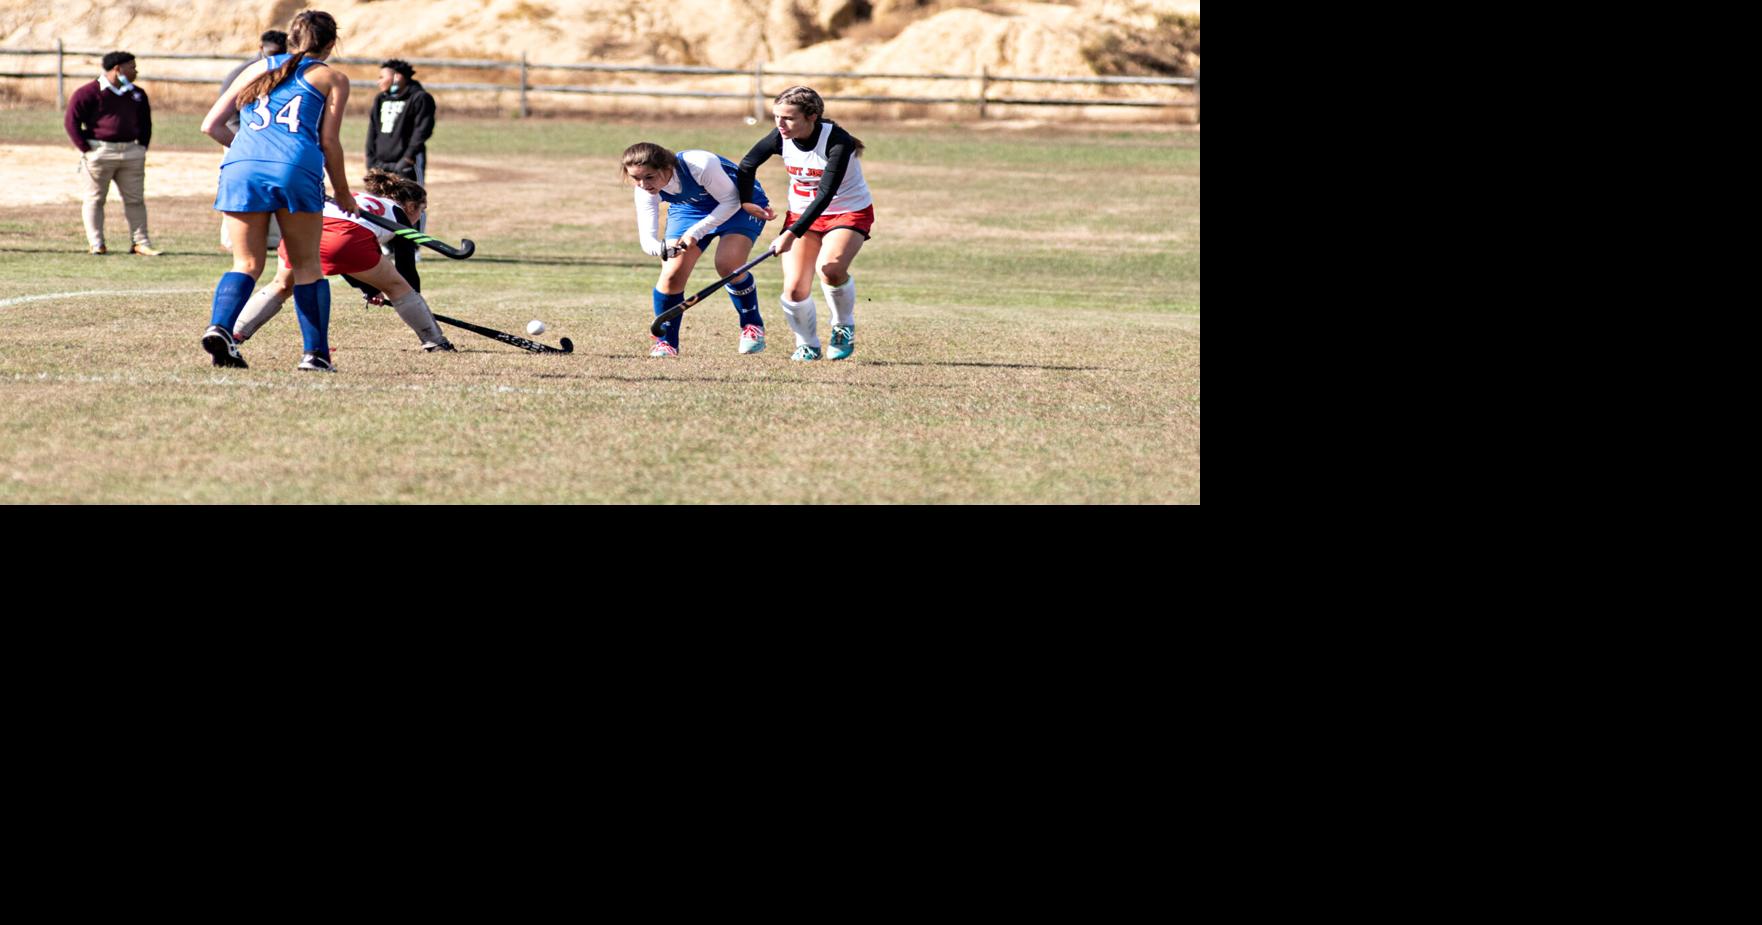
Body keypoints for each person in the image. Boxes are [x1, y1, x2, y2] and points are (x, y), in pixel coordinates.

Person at [198, 9, 356, 372]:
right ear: (331, 44)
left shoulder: (258, 67)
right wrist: (344, 193)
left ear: (292, 39)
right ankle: (315, 355)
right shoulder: (332, 77)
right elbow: (329, 142)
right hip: (295, 167)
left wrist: (252, 152)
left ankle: (220, 327)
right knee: (306, 267)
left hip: (241, 166)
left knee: (247, 263)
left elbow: (211, 125)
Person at [230, 169, 453, 352]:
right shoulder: (397, 212)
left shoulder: (355, 197)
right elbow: (405, 267)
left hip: (302, 232)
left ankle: (234, 333)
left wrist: (370, 289)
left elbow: (342, 262)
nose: (419, 216)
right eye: (422, 210)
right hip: (346, 240)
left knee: (281, 285)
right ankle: (435, 341)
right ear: (412, 206)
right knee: (399, 288)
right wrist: (414, 301)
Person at [735, 85, 874, 361]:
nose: (780, 124)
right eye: (776, 117)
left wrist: (789, 234)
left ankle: (842, 325)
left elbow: (825, 194)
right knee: (795, 289)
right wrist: (746, 201)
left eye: (788, 118)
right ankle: (807, 343)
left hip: (846, 211)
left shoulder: (838, 142)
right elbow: (746, 165)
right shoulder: (780, 136)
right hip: (801, 215)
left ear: (812, 117)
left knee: (831, 270)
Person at [622, 142, 770, 357]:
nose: (643, 184)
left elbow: (730, 201)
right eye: (636, 178)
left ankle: (751, 325)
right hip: (690, 209)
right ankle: (666, 343)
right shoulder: (644, 190)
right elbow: (648, 241)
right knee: (671, 274)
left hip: (739, 203)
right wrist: (665, 249)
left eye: (649, 177)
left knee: (728, 264)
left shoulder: (699, 164)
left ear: (666, 167)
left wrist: (696, 232)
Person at [64, 51, 160, 256]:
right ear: (118, 69)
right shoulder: (88, 92)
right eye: (132, 67)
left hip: (131, 153)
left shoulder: (136, 93)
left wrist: (141, 147)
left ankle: (140, 242)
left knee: (135, 200)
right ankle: (96, 243)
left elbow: (146, 124)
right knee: (94, 199)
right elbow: (71, 122)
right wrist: (86, 149)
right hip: (99, 152)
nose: (136, 71)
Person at [218, 30, 289, 251]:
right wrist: (239, 141)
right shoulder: (242, 73)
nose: (274, 58)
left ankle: (273, 239)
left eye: (280, 53)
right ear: (260, 48)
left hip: (275, 143)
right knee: (239, 189)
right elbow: (226, 114)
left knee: (277, 187)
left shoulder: (288, 72)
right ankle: (233, 239)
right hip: (241, 140)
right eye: (270, 53)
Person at [365, 59, 435, 231]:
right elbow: (373, 130)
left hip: (406, 162)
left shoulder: (420, 98)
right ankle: (386, 244)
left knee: (411, 203)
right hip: (380, 162)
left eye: (383, 77)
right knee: (381, 201)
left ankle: (414, 246)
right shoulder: (381, 99)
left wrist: (408, 158)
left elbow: (422, 130)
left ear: (397, 77)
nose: (378, 81)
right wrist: (371, 159)